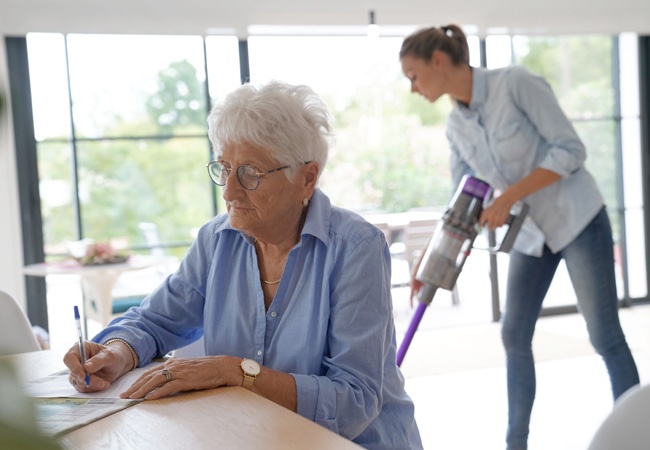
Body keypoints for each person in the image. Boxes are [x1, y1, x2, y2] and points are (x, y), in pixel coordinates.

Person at [63, 80, 423, 450]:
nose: (229, 192)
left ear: (307, 177)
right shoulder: (217, 239)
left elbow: (355, 401)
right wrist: (118, 351)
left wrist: (237, 372)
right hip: (253, 436)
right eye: (224, 168)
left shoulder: (355, 248)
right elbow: (155, 320)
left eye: (250, 174)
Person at [399, 24, 639, 449]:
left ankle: (639, 433)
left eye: (414, 75)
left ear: (438, 60)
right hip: (532, 238)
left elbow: (570, 149)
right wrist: (429, 263)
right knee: (514, 334)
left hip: (578, 219)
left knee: (604, 335)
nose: (413, 88)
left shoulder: (515, 84)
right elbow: (464, 204)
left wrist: (508, 196)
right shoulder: (457, 127)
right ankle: (517, 444)